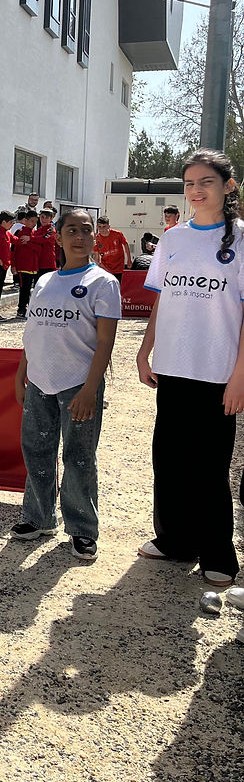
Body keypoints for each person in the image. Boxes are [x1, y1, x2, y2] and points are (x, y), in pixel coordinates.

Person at [136, 149, 244, 588]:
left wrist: (240, 376)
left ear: (228, 186)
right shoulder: (174, 238)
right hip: (173, 366)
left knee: (210, 467)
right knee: (170, 458)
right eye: (189, 184)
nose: (196, 191)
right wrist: (145, 351)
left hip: (218, 372)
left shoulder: (241, 239)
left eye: (206, 182)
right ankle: (175, 540)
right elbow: (163, 299)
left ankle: (219, 555)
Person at [10, 208, 121, 560]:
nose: (79, 236)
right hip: (40, 382)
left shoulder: (104, 283)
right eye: (71, 230)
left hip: (78, 385)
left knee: (79, 457)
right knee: (37, 450)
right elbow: (33, 333)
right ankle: (38, 517)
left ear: (94, 237)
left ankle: (82, 529)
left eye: (86, 230)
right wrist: (21, 375)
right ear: (57, 237)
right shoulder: (45, 282)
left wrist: (90, 389)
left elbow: (105, 342)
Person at [11, 209, 41, 317]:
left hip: (34, 266)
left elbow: (39, 249)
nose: (34, 224)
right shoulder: (19, 232)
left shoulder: (35, 234)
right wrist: (13, 265)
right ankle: (21, 309)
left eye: (35, 221)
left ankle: (29, 308)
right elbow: (13, 250)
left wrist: (29, 242)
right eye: (32, 221)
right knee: (24, 289)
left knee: (31, 289)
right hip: (22, 266)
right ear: (26, 220)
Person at [94, 216, 130, 280]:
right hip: (105, 268)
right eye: (99, 227)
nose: (102, 229)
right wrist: (97, 267)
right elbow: (96, 256)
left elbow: (125, 244)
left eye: (104, 227)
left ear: (108, 226)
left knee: (117, 284)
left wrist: (129, 260)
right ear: (97, 227)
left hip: (118, 267)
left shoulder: (117, 234)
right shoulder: (97, 239)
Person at [34, 206, 58, 278]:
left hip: (48, 263)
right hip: (38, 262)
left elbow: (44, 239)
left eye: (46, 217)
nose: (44, 219)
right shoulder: (39, 230)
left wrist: (30, 238)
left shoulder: (51, 230)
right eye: (42, 217)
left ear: (51, 218)